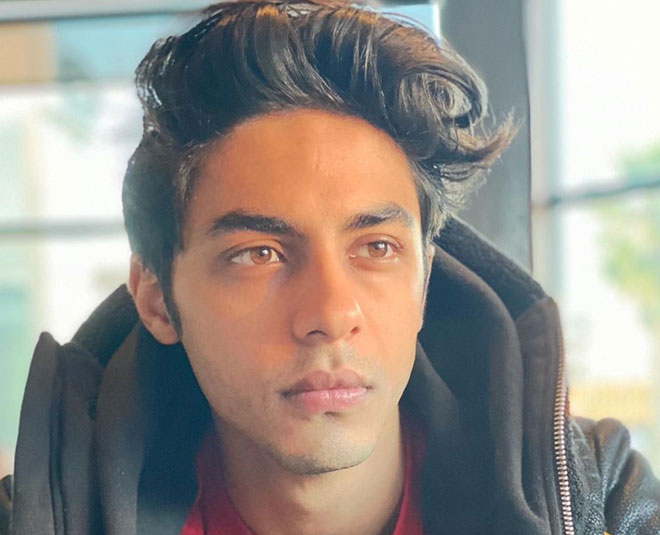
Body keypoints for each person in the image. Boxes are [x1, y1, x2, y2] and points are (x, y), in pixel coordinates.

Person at [2, 0, 659, 533]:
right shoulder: (37, 518)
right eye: (258, 253)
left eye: (376, 247)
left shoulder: (599, 498)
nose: (331, 314)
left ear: (423, 280)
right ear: (155, 297)